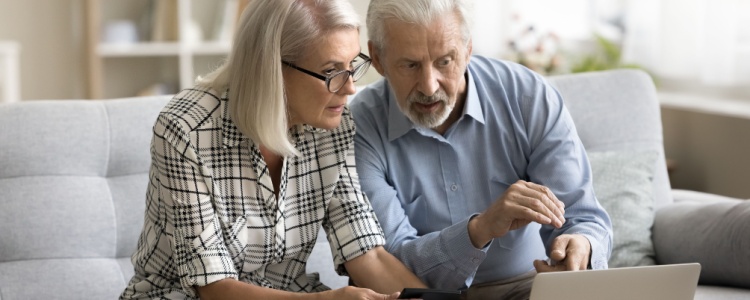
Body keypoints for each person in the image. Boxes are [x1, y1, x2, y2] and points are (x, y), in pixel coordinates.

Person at [119, 0, 426, 299]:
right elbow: (214, 288)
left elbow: (366, 253)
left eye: (352, 66)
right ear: (271, 68)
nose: (349, 88)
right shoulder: (185, 129)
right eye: (332, 71)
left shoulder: (334, 124)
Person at [349, 0, 613, 299]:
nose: (428, 85)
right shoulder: (358, 127)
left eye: (444, 61)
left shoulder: (528, 96)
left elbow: (581, 216)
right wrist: (480, 228)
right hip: (426, 295)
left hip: (529, 285)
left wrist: (580, 247)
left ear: (467, 49)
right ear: (378, 59)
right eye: (410, 65)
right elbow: (390, 259)